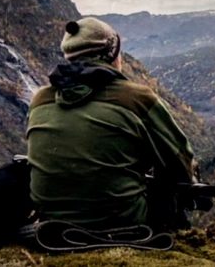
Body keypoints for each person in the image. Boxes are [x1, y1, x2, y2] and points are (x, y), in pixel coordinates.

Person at [25, 17, 196, 230]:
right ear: (113, 55)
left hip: (51, 221)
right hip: (122, 222)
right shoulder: (137, 99)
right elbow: (180, 160)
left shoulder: (40, 99)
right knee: (171, 183)